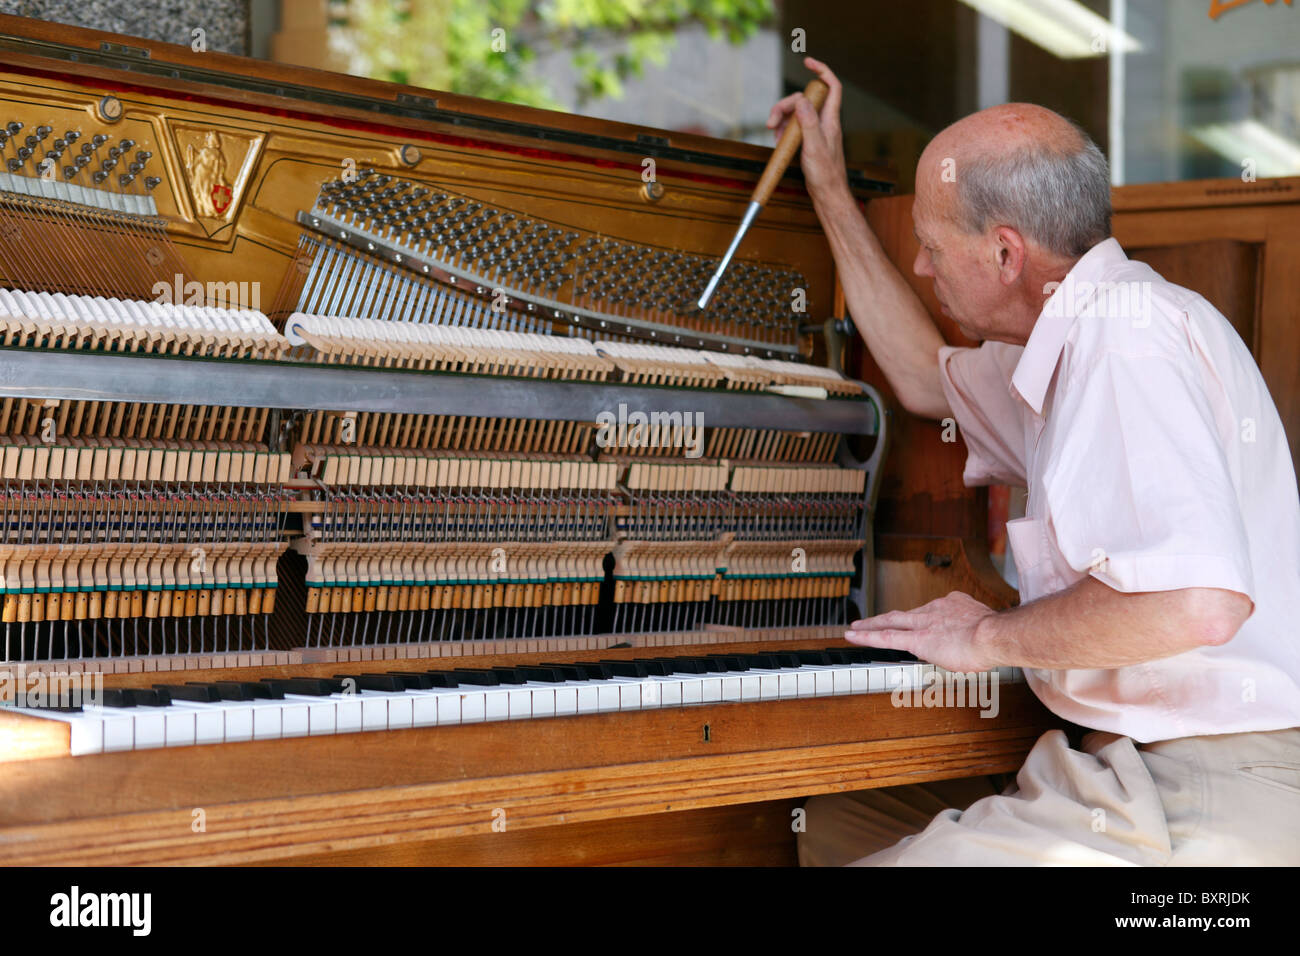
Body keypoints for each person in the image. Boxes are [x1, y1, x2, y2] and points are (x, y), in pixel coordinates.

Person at [770, 57, 1300, 866]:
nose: (921, 266)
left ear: (1006, 255)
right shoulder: (1071, 342)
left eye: (929, 246)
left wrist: (987, 636)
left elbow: (1198, 604)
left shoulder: (1124, 338)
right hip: (1116, 767)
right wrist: (832, 193)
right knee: (829, 827)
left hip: (1204, 785)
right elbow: (921, 376)